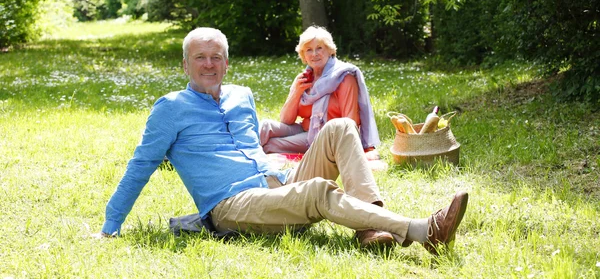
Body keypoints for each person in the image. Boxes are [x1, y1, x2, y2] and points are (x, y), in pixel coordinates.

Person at [97, 27, 469, 254]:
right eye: (199, 58)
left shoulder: (241, 95)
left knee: (340, 128)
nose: (209, 64)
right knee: (318, 191)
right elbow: (140, 167)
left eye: (216, 57)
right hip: (231, 206)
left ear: (227, 63)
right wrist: (110, 227)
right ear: (185, 65)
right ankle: (423, 230)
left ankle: (370, 227)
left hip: (277, 183)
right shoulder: (171, 108)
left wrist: (279, 169)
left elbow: (264, 139)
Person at [259, 26, 380, 158]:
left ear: (330, 50)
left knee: (270, 144)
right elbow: (286, 120)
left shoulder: (344, 78)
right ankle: (238, 150)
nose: (314, 54)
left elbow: (350, 122)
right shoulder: (304, 78)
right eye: (309, 50)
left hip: (323, 137)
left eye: (319, 48)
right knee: (265, 126)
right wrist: (296, 92)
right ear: (303, 56)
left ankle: (248, 158)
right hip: (303, 128)